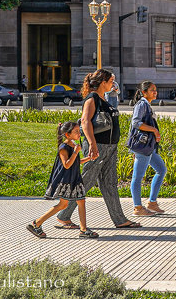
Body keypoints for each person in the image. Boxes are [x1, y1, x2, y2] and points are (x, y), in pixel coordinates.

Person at [54, 69, 139, 230]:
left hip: (109, 147)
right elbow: (85, 122)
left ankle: (119, 219)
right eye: (111, 81)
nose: (113, 84)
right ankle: (63, 215)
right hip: (98, 146)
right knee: (86, 180)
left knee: (109, 183)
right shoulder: (92, 98)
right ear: (103, 82)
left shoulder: (103, 98)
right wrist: (92, 144)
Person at [27, 120, 94, 238]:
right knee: (65, 204)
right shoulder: (63, 148)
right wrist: (75, 152)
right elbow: (67, 165)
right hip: (67, 181)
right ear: (67, 135)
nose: (79, 134)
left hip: (75, 179)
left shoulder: (73, 145)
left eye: (79, 131)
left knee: (76, 202)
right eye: (76, 132)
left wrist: (88, 158)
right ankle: (36, 223)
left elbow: (75, 163)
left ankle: (82, 230)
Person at [129, 80, 166, 216]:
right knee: (137, 177)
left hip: (148, 147)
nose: (155, 92)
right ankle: (138, 208)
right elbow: (136, 123)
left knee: (161, 169)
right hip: (142, 146)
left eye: (155, 90)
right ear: (144, 92)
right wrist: (154, 131)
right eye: (152, 90)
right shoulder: (142, 104)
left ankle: (152, 203)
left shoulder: (147, 105)